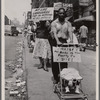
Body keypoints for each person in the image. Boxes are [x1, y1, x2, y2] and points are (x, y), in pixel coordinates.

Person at [51, 8, 73, 84]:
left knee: (64, 60)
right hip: (56, 41)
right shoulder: (54, 23)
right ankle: (55, 78)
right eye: (60, 13)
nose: (62, 15)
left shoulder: (68, 23)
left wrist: (71, 41)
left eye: (63, 13)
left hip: (64, 41)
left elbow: (70, 32)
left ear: (65, 14)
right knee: (55, 60)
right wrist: (57, 41)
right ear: (58, 14)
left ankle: (64, 76)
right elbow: (54, 33)